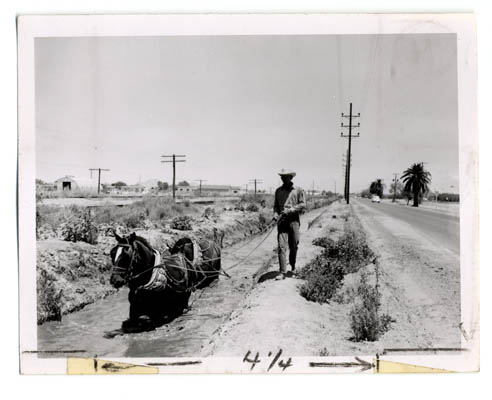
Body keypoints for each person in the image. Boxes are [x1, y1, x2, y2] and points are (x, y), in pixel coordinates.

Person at [273, 169, 306, 280]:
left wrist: (290, 210)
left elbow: (303, 205)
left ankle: (292, 265)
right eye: (282, 176)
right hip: (282, 221)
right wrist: (275, 214)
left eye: (286, 176)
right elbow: (276, 206)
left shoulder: (298, 190)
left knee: (294, 245)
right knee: (281, 246)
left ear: (291, 178)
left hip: (294, 221)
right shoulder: (278, 191)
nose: (283, 178)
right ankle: (282, 272)